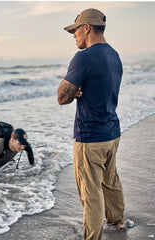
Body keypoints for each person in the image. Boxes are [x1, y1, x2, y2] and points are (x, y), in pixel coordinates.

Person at [57, 8, 133, 240]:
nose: (74, 35)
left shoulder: (84, 57)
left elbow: (61, 97)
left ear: (87, 27)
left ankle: (92, 237)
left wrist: (73, 92)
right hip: (112, 131)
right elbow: (101, 87)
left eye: (76, 30)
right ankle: (118, 221)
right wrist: (81, 89)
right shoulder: (114, 55)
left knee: (90, 192)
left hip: (90, 136)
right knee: (110, 180)